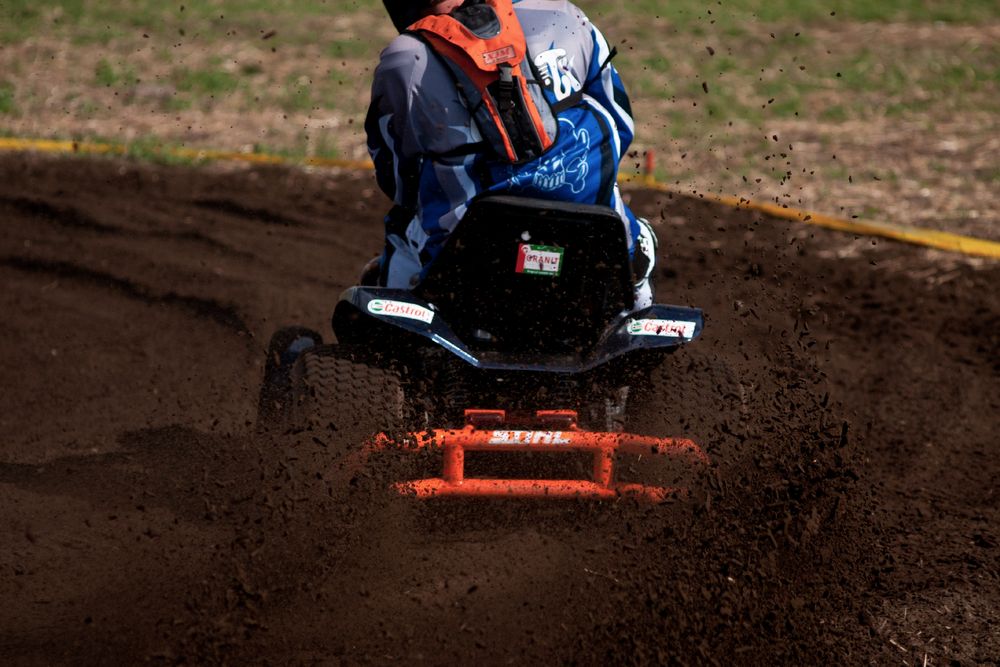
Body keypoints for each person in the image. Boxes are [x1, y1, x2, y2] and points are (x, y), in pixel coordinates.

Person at [366, 0, 657, 307]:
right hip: (594, 240)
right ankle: (635, 303)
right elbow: (620, 123)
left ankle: (397, 330)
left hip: (468, 259)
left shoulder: (402, 59)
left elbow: (399, 180)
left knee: (404, 222)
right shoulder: (562, 14)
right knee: (631, 232)